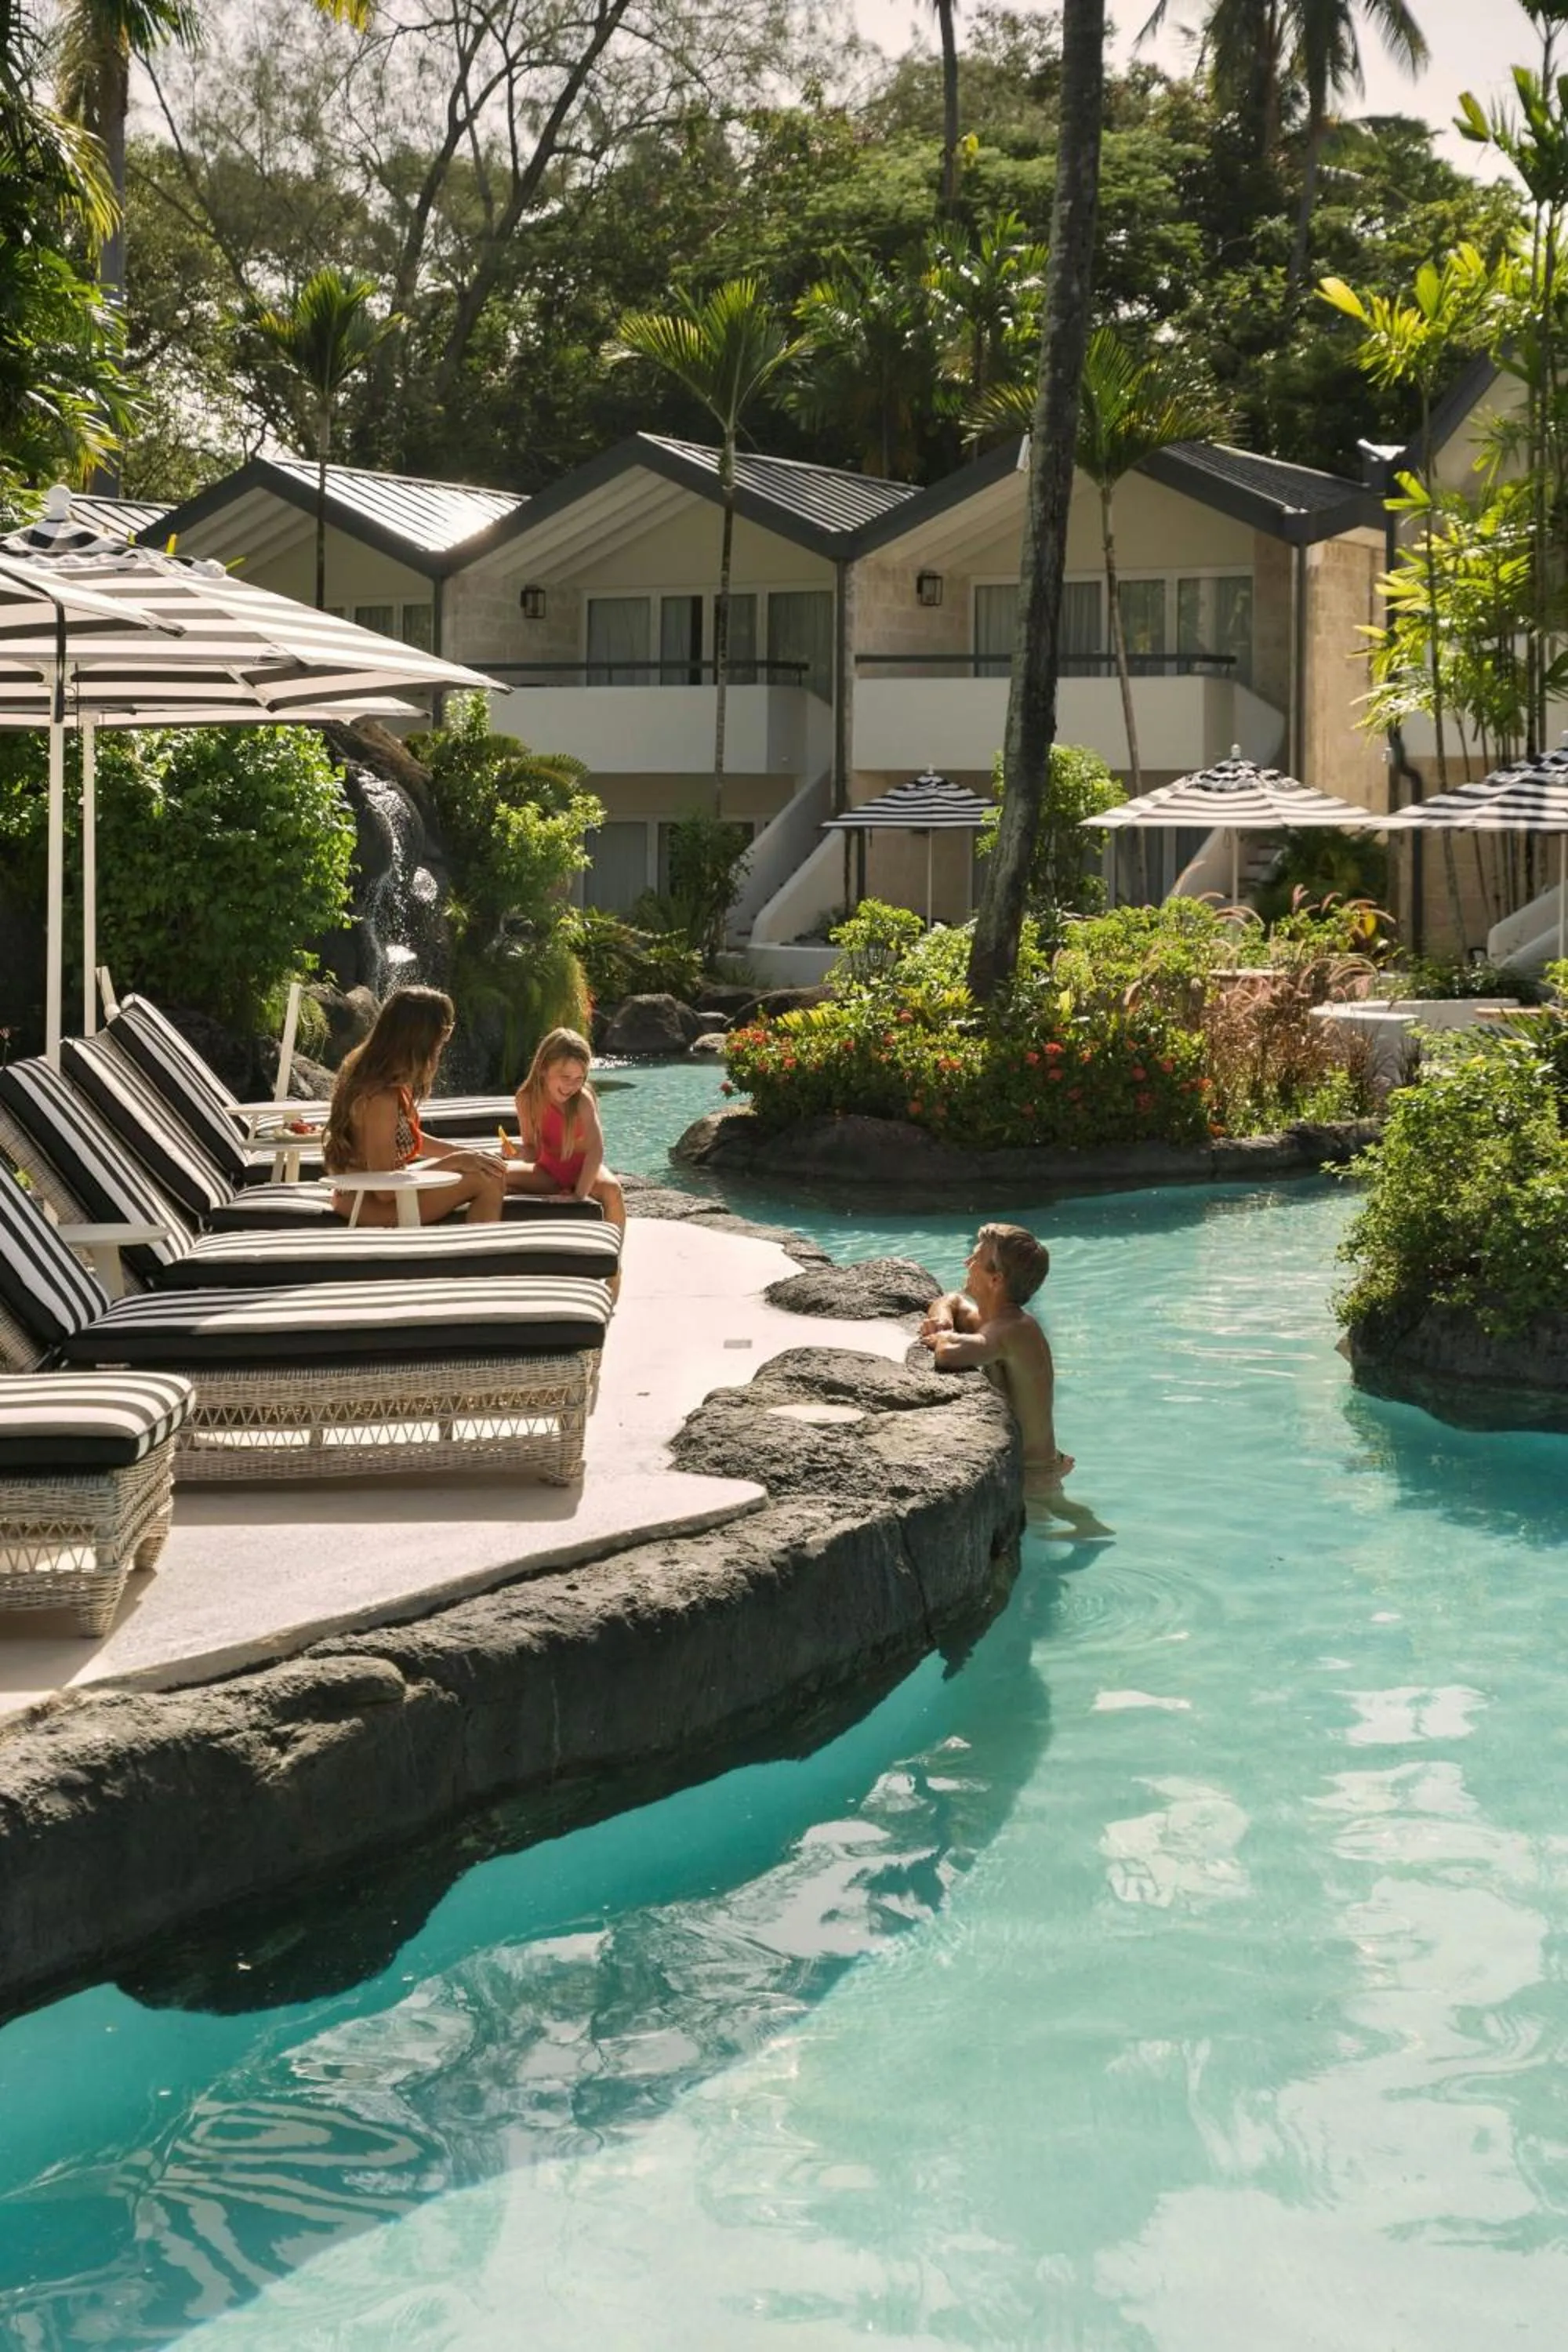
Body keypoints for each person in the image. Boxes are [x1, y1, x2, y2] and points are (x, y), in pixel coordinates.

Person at [920, 1222, 1109, 1536]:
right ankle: (1090, 1529)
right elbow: (951, 1300)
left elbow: (950, 1354)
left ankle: (1092, 1532)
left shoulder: (1015, 1330)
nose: (967, 1264)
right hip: (1037, 1463)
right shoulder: (995, 1318)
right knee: (1055, 1515)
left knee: (1035, 1544)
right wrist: (941, 1318)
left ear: (996, 1279)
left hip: (1031, 1473)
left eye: (976, 1260)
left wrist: (943, 1338)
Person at [322, 985, 506, 1225]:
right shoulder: (380, 1098)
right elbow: (385, 1189)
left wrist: (468, 1155)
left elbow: (406, 1137)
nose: (442, 1047)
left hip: (371, 1192)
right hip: (367, 1203)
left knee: (486, 1168)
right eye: (442, 1038)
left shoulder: (385, 1077)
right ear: (421, 1041)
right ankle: (477, 1259)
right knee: (487, 1180)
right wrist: (455, 1161)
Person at [506, 1026, 626, 1234]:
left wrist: (579, 1195)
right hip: (548, 1173)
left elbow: (596, 1150)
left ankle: (613, 1262)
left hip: (584, 1173)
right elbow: (533, 1151)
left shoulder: (582, 1101)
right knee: (493, 1175)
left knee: (613, 1190)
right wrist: (519, 1152)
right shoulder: (526, 1100)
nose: (571, 1086)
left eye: (579, 1079)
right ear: (543, 1068)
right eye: (565, 1076)